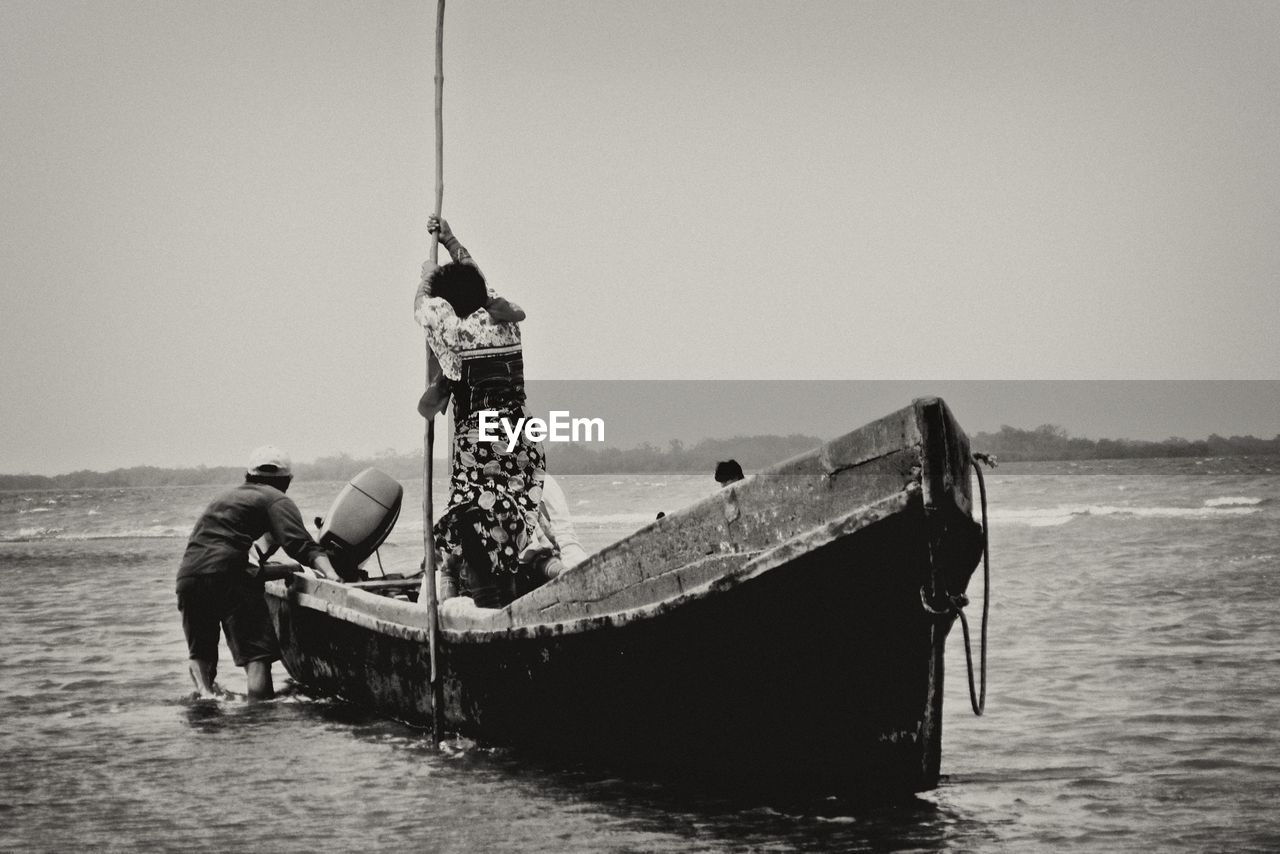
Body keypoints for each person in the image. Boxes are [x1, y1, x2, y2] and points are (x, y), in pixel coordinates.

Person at [415, 216, 551, 608]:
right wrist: (451, 241)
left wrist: (427, 275)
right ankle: (504, 599)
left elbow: (422, 309)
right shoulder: (504, 322)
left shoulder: (455, 333)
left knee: (470, 518)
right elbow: (478, 284)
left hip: (482, 437)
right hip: (522, 436)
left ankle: (489, 601)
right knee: (507, 522)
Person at [175, 446, 337, 700]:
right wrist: (332, 575)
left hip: (189, 577)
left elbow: (235, 559)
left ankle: (205, 705)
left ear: (247, 475)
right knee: (256, 657)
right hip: (228, 576)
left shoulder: (224, 499)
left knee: (200, 654)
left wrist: (287, 568)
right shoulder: (276, 499)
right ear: (287, 480)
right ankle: (259, 718)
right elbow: (300, 544)